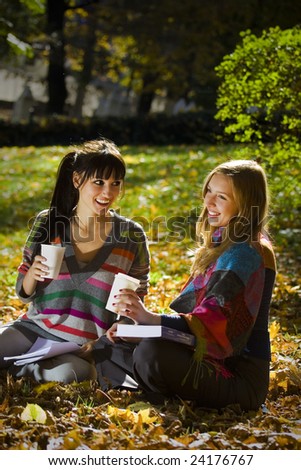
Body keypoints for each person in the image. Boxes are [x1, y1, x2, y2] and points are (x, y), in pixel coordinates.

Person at [92, 159, 277, 411]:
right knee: (111, 344)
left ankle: (156, 386)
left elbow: (210, 324)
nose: (209, 202)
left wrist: (148, 319)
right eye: (209, 191)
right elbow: (190, 325)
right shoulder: (224, 243)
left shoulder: (247, 251)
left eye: (221, 197)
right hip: (205, 357)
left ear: (245, 205)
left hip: (237, 376)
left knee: (152, 353)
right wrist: (137, 327)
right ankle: (155, 383)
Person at [0, 138, 150, 383]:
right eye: (99, 182)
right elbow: (23, 290)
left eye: (115, 184)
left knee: (76, 375)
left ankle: (22, 367)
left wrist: (117, 330)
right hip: (34, 330)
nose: (108, 193)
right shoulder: (48, 222)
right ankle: (22, 358)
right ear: (77, 180)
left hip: (83, 346)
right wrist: (31, 275)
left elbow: (137, 297)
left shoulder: (131, 236)